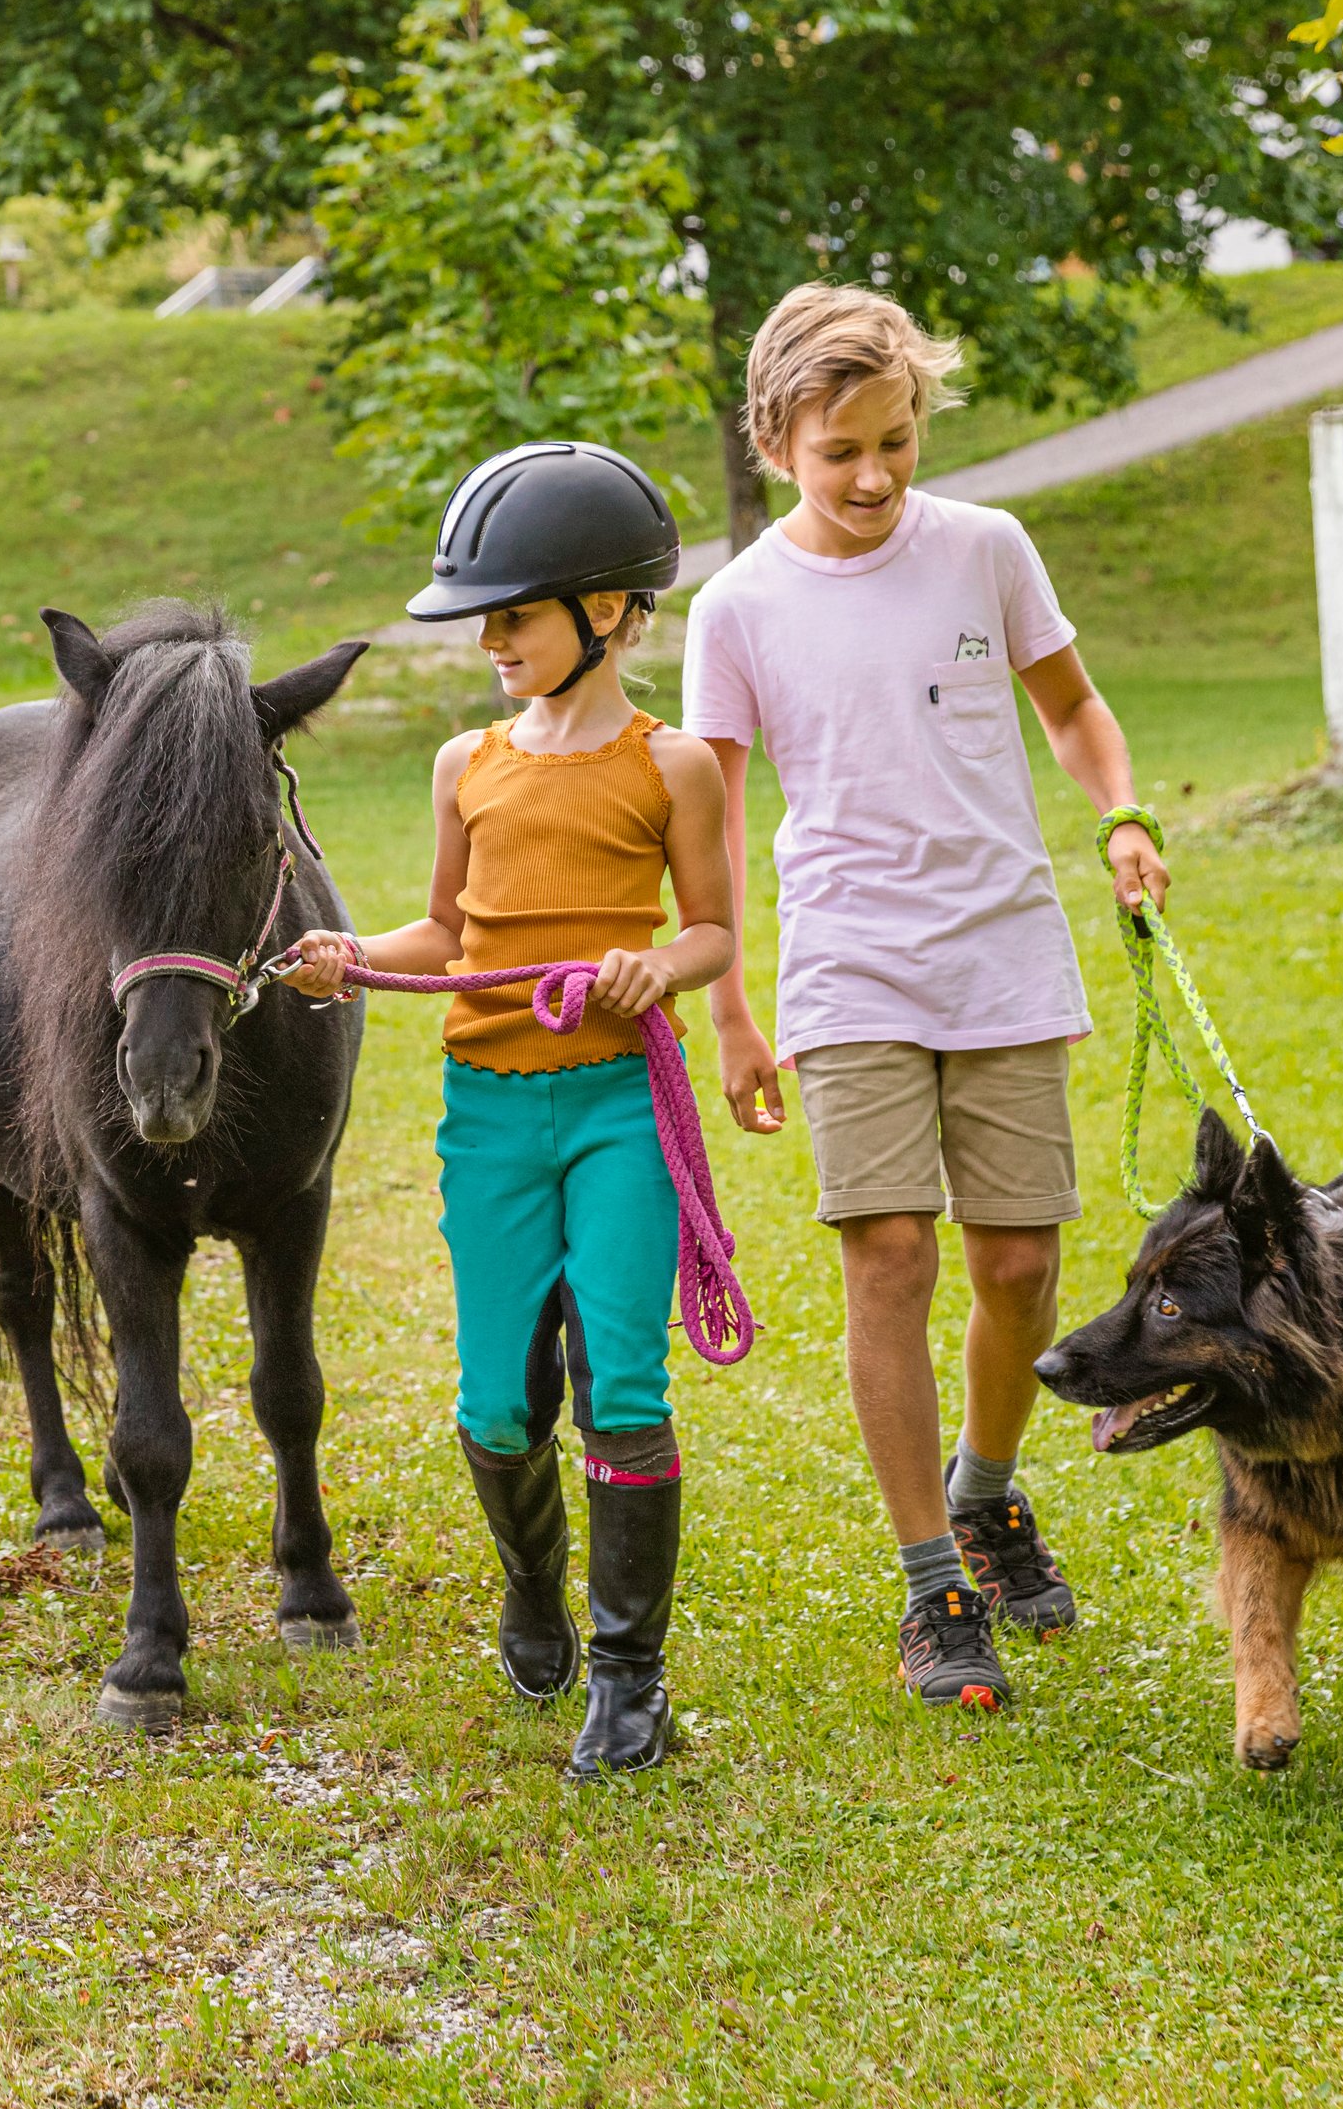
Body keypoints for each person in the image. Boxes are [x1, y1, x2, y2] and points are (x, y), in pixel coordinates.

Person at [685, 284, 1169, 1713]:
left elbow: (1072, 709)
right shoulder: (739, 607)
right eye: (843, 452)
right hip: (849, 965)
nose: (879, 476)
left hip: (1003, 950)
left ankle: (988, 1494)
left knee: (1019, 1269)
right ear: (778, 440)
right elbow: (711, 819)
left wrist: (1125, 811)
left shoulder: (985, 551)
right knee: (890, 1252)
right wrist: (729, 1011)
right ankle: (930, 1583)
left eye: (897, 441)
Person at [285, 442, 741, 1779]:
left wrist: (662, 963)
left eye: (515, 614)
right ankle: (534, 1590)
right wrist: (350, 956)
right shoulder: (464, 764)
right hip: (488, 1115)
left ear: (609, 612)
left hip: (615, 1111)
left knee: (627, 1383)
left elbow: (712, 929)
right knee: (495, 1406)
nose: (490, 642)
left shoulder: (680, 768)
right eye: (482, 618)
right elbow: (445, 927)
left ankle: (628, 1678)